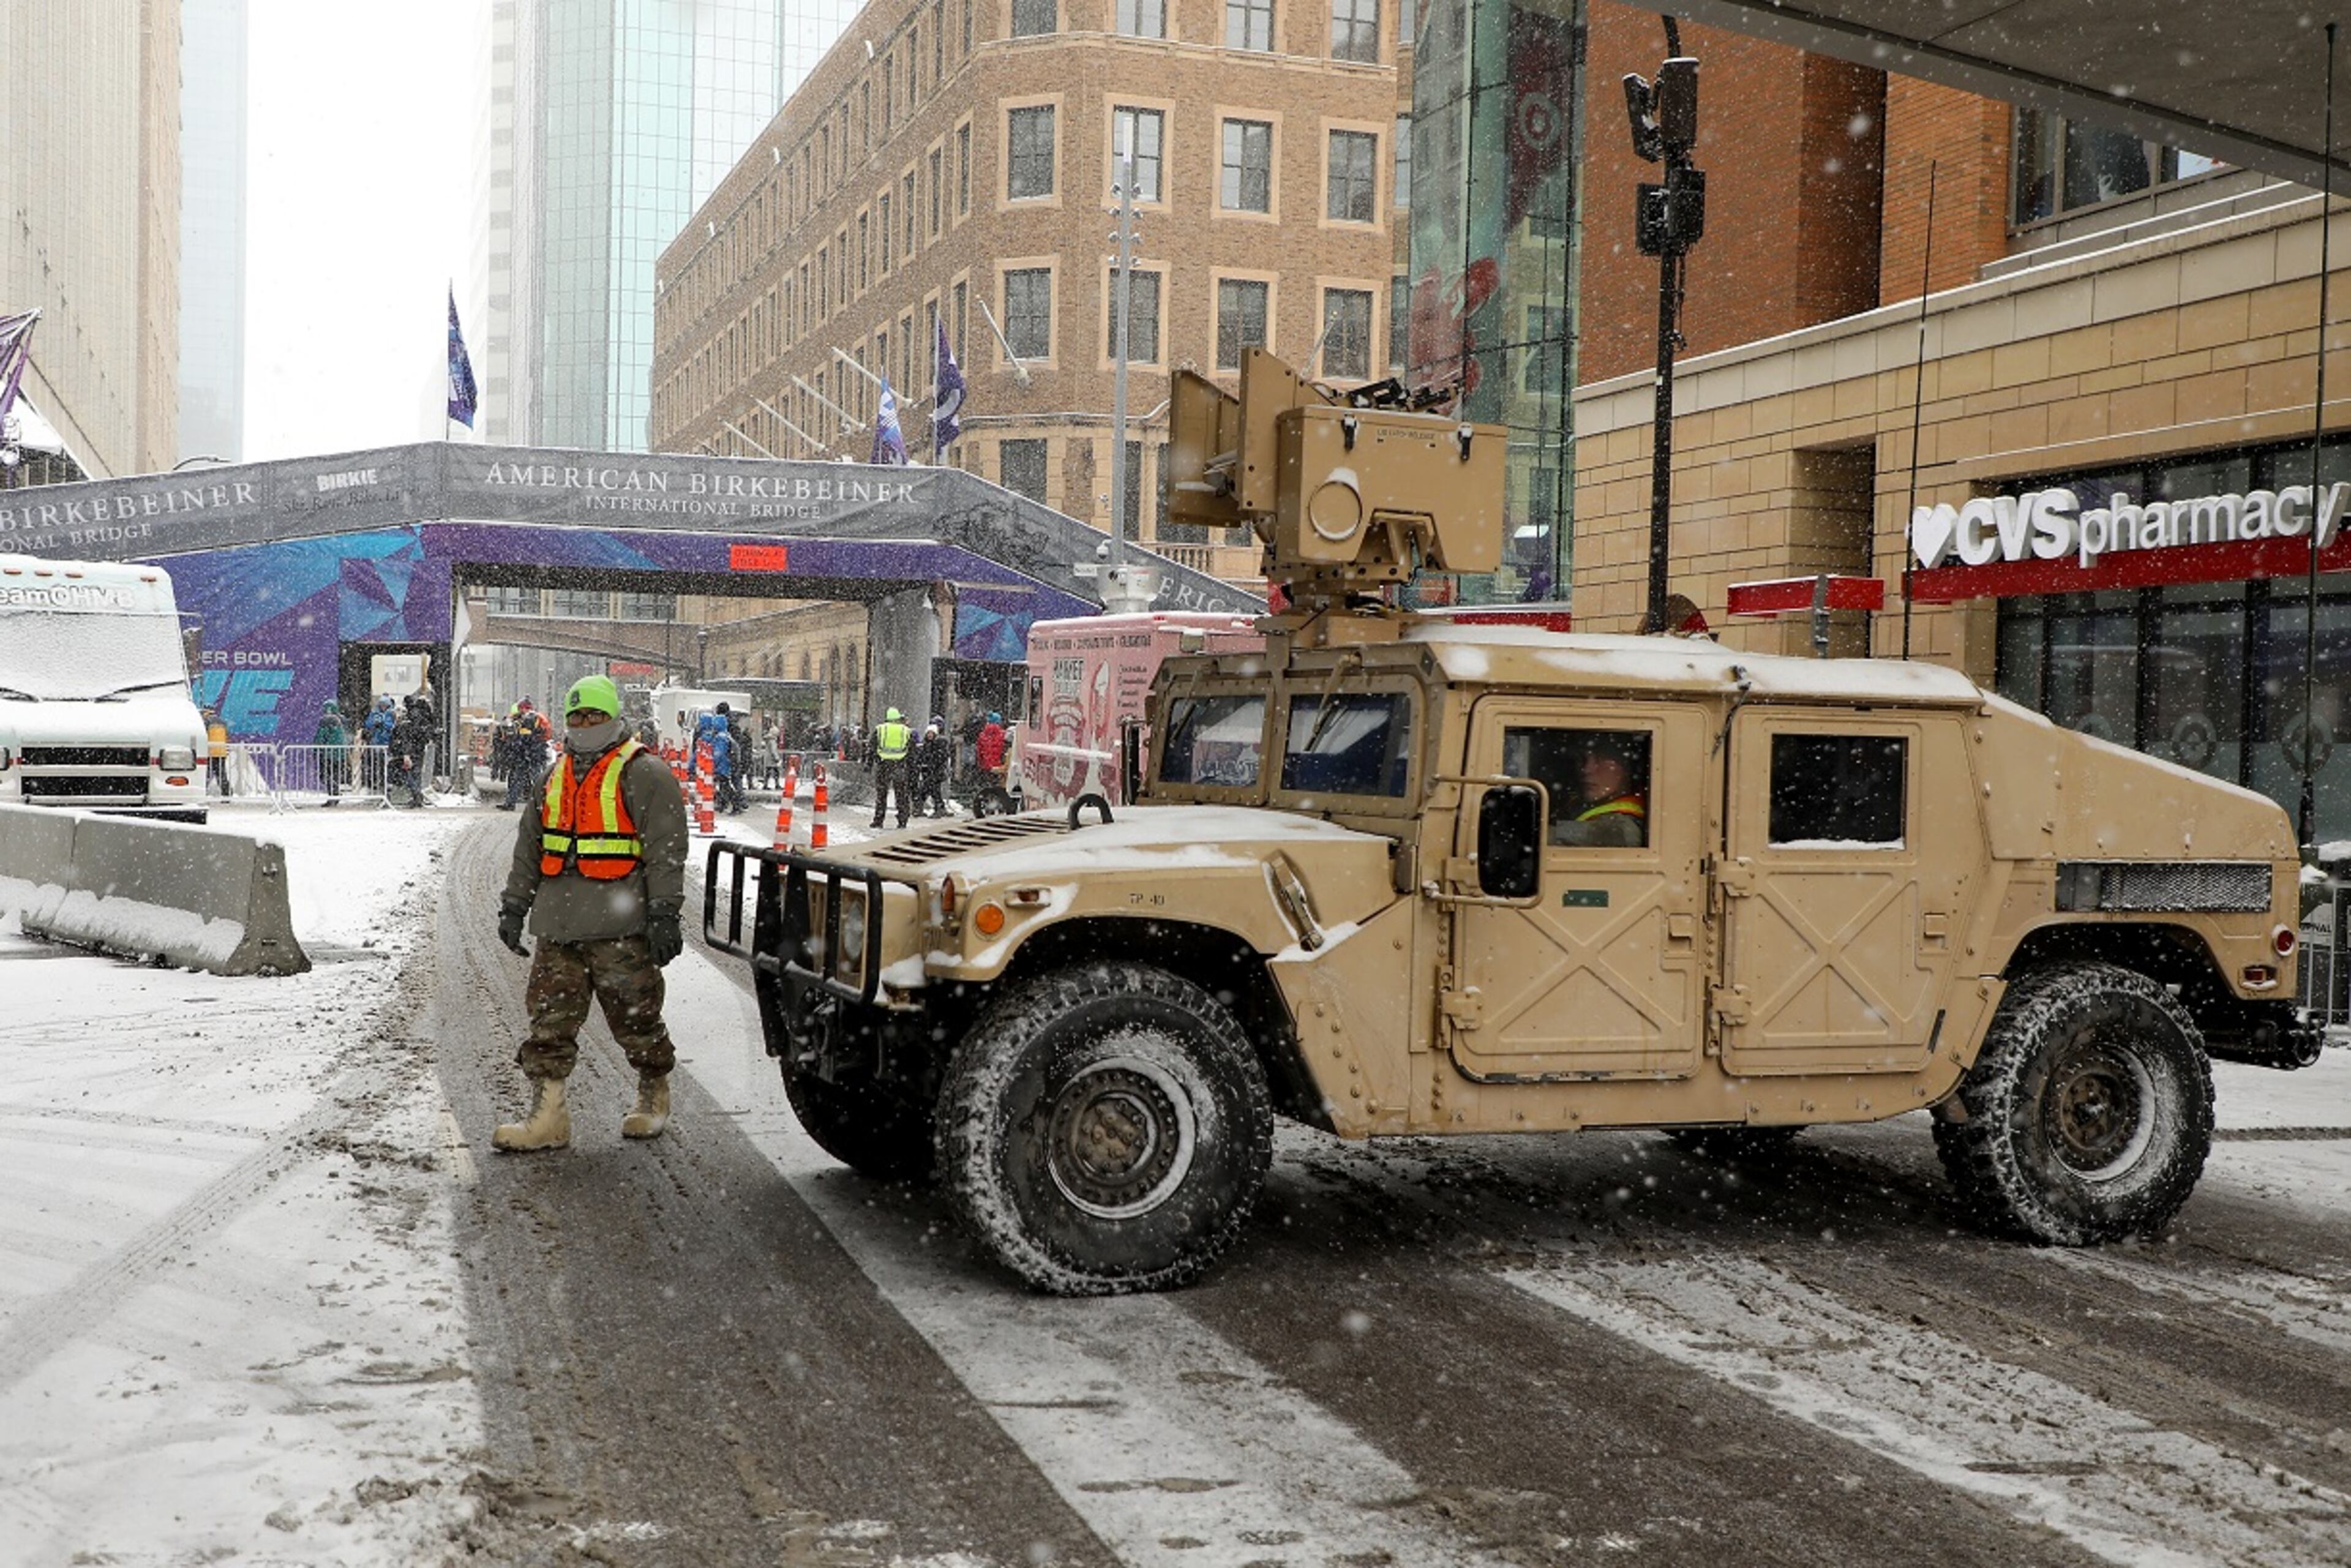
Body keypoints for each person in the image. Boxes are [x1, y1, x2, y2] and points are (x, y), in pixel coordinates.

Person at [493, 674, 689, 1152]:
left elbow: (666, 849)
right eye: (576, 716)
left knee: (636, 1018)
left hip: (621, 927)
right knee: (549, 1023)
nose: (584, 724)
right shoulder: (553, 776)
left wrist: (665, 913)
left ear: (614, 718)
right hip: (558, 928)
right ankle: (548, 1115)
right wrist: (515, 906)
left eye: (594, 715)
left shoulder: (645, 773)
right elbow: (529, 848)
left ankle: (653, 1088)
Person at [1553, 733, 1648, 848]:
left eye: (1602, 759)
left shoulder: (1626, 823)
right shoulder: (1575, 803)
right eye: (1581, 758)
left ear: (1628, 767)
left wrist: (1539, 833)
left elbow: (1620, 835)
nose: (1586, 769)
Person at [869, 706, 913, 828]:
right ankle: (902, 820)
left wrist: (870, 763)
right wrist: (911, 767)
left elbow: (872, 748)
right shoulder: (906, 731)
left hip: (884, 765)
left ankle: (879, 820)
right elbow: (912, 751)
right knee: (901, 794)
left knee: (882, 794)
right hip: (900, 765)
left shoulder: (880, 729)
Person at [313, 699, 349, 805]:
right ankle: (335, 795)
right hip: (340, 753)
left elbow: (321, 737)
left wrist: (316, 749)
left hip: (328, 753)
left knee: (326, 776)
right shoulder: (341, 719)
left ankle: (333, 795)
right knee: (335, 776)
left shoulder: (326, 720)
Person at [914, 722, 951, 818]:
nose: (930, 735)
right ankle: (938, 809)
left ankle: (937, 809)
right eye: (928, 733)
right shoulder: (926, 744)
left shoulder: (938, 744)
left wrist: (930, 761)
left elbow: (941, 758)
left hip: (936, 772)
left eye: (932, 733)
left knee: (932, 791)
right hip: (929, 772)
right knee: (928, 790)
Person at [975, 711, 1008, 784]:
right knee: (999, 785)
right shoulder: (1003, 734)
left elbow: (979, 752)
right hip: (999, 766)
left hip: (986, 766)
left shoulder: (982, 735)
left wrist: (981, 764)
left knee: (987, 783)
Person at [203, 707, 230, 797]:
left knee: (205, 776)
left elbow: (203, 736)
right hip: (221, 752)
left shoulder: (206, 722)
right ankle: (226, 794)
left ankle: (201, 794)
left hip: (209, 752)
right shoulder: (223, 722)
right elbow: (227, 737)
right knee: (222, 776)